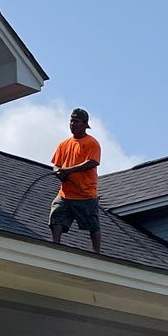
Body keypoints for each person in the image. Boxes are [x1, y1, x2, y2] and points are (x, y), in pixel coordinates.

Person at [49, 108, 102, 253]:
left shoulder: (91, 143)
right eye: (71, 121)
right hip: (66, 193)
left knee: (92, 224)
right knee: (56, 215)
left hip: (85, 193)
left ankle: (96, 253)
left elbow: (92, 162)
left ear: (85, 125)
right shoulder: (64, 144)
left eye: (77, 121)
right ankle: (56, 246)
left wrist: (68, 170)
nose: (73, 124)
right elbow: (56, 164)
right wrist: (58, 172)